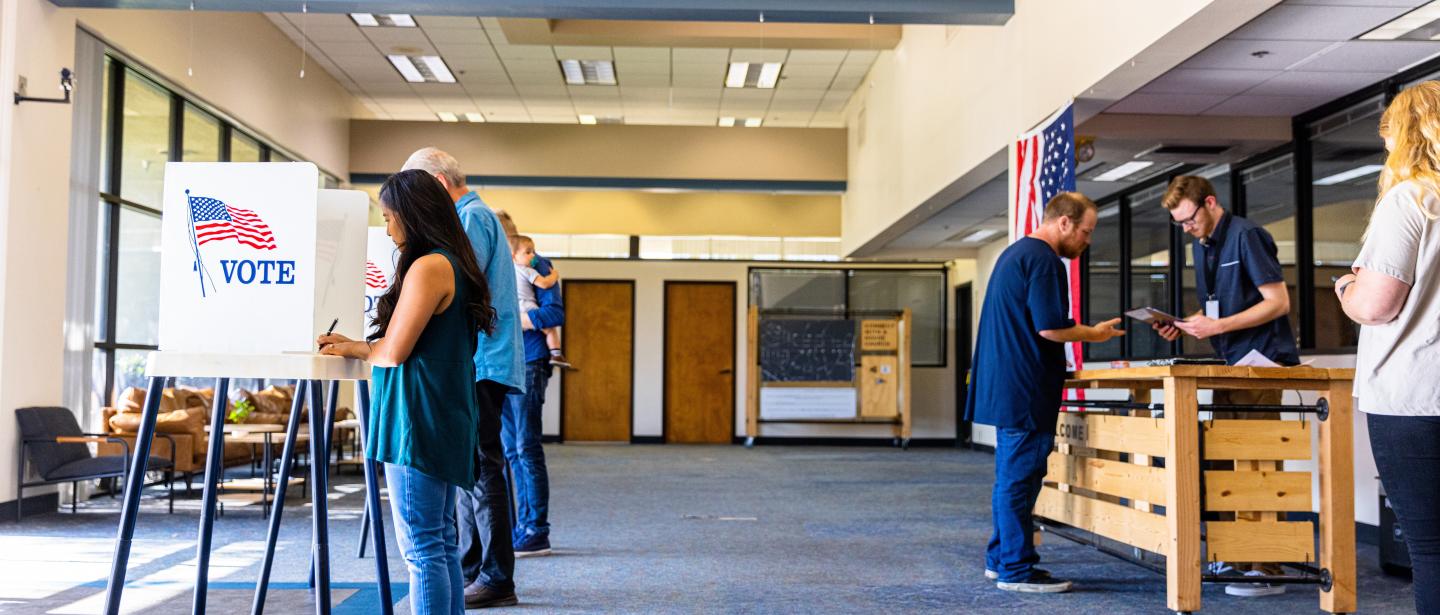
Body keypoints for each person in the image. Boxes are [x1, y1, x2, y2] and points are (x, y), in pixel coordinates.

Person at [318, 169, 496, 615]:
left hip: (417, 417)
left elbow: (394, 351)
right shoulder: (452, 262)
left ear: (413, 215)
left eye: (389, 217)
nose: (387, 228)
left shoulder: (429, 266)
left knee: (421, 548)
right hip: (441, 411)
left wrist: (352, 346)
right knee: (439, 542)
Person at [967, 192, 1124, 594]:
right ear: (1065, 223)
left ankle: (1000, 558)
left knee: (1011, 478)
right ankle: (1016, 570)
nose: (1087, 242)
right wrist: (1096, 333)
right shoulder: (1043, 260)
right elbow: (1050, 328)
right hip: (1027, 390)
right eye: (1086, 232)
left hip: (1010, 388)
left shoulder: (1014, 254)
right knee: (1018, 480)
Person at [1153, 175, 1300, 597]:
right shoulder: (1205, 245)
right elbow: (1222, 306)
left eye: (1188, 219)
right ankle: (1237, 555)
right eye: (1178, 224)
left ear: (1210, 203)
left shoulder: (1248, 236)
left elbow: (1277, 302)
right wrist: (1186, 325)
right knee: (1227, 463)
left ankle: (1266, 567)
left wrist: (1216, 324)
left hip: (1263, 365)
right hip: (1229, 364)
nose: (1186, 228)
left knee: (1260, 465)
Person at [401, 147, 523, 608]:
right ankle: (478, 568)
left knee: (479, 469)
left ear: (436, 183)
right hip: (481, 361)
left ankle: (493, 574)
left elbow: (450, 288)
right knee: (473, 468)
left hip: (478, 363)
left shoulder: (469, 220)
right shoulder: (477, 217)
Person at [1336, 80, 1440, 615]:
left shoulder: (1413, 197)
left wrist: (1345, 286)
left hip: (1416, 398)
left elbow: (1376, 305)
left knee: (1432, 548)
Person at [495, 209, 571, 369]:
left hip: (528, 358)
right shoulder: (494, 266)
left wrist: (508, 318)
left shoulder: (536, 264)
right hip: (498, 362)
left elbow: (554, 314)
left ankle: (556, 353)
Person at [510, 235, 570, 368]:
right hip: (527, 307)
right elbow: (544, 284)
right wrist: (554, 275)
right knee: (550, 330)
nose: (533, 256)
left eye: (533, 251)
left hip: (515, 307)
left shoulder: (507, 271)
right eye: (528, 252)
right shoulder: (527, 270)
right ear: (514, 256)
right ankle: (556, 354)